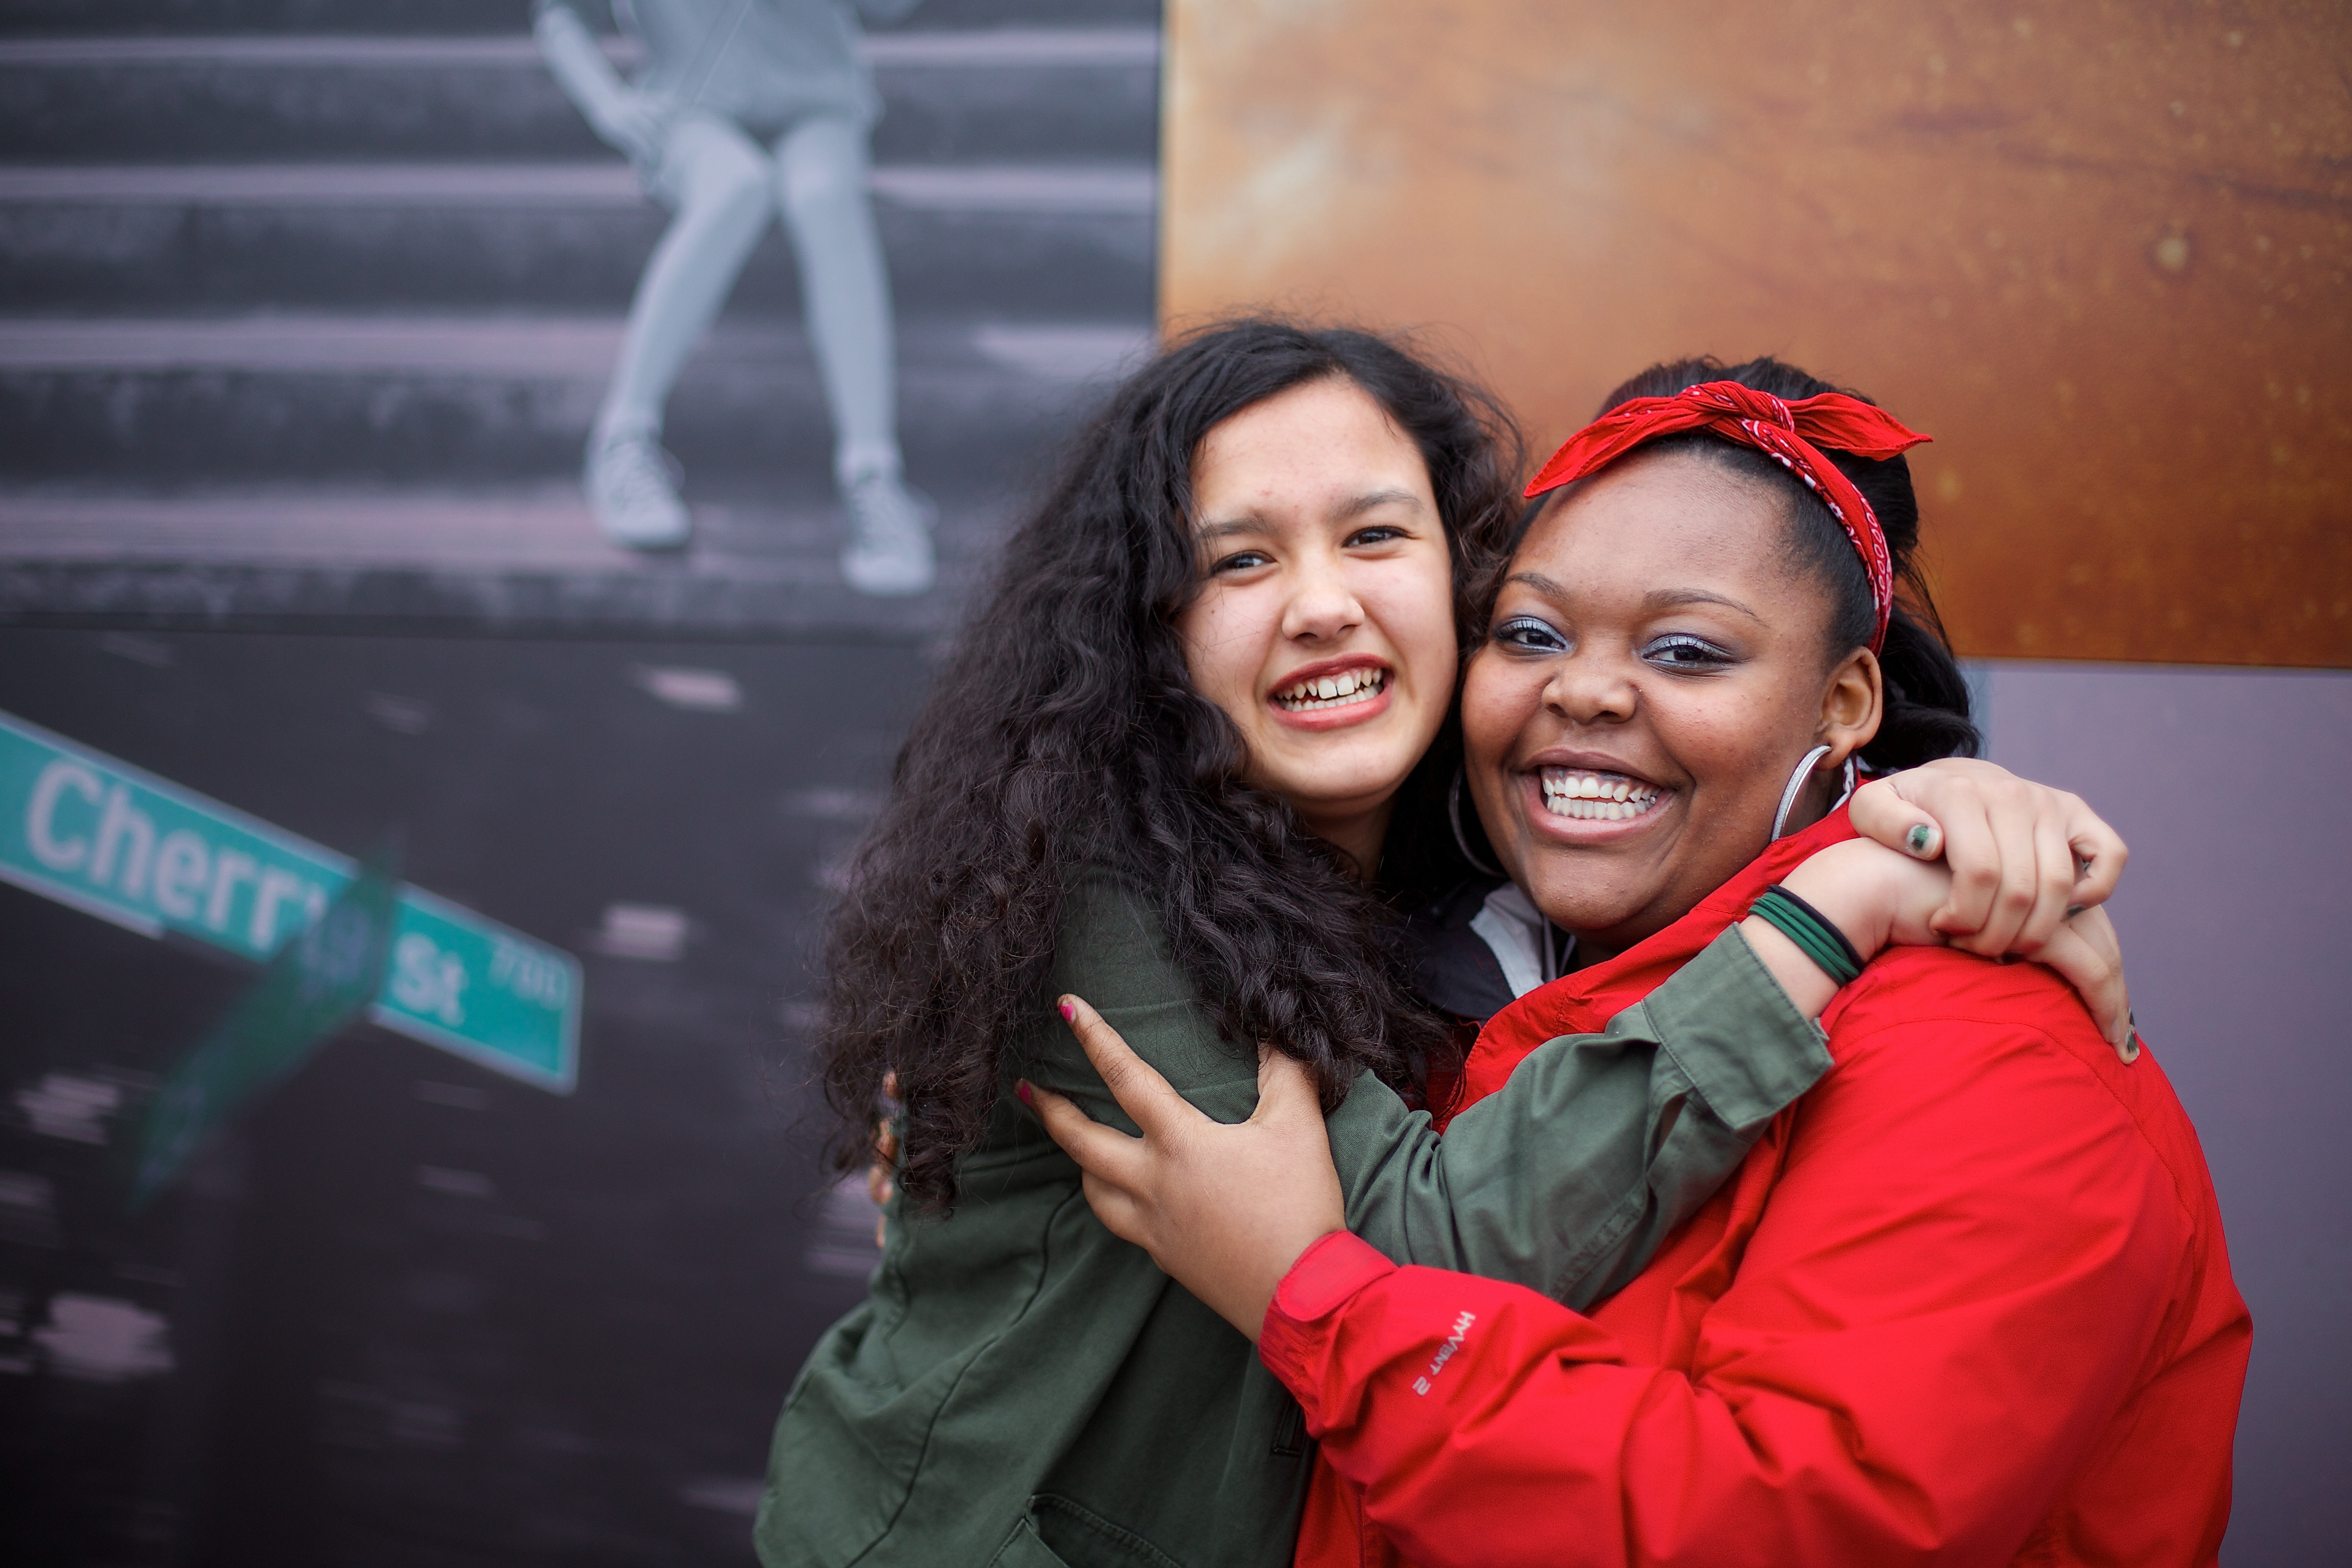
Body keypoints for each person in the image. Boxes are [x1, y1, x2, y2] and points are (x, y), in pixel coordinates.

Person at [762, 324, 2134, 1568]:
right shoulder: (1108, 892)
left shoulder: (1478, 871)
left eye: (1374, 537)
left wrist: (1948, 806)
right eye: (1239, 558)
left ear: (1463, 588)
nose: (1319, 603)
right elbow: (1423, 1245)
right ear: (1152, 632)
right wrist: (1834, 909)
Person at [534, 0, 935, 592]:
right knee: (736, 187)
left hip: (818, 105)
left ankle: (872, 472)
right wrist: (608, 103)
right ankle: (623, 438)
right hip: (692, 110)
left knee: (825, 198)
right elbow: (561, 16)